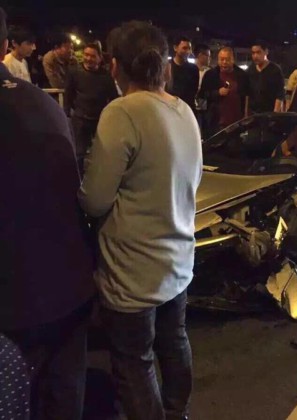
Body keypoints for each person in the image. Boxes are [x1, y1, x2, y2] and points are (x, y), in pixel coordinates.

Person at [78, 21, 202, 420]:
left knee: (135, 360)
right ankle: (177, 412)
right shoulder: (184, 111)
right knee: (174, 341)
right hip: (177, 260)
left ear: (115, 66)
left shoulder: (121, 112)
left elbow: (95, 199)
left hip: (132, 270)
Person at [0, 7, 96, 419]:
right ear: (5, 46)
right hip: (68, 289)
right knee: (63, 396)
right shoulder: (43, 104)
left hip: (13, 306)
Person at [64, 43, 119, 171]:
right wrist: (67, 113)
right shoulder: (75, 72)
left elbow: (113, 98)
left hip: (99, 119)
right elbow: (68, 95)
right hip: (80, 119)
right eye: (86, 55)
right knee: (78, 153)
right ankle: (77, 178)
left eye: (93, 56)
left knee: (102, 152)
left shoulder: (106, 76)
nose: (88, 58)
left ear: (100, 58)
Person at [199, 46, 249, 137]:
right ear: (218, 60)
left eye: (227, 59)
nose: (224, 62)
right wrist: (217, 93)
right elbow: (202, 95)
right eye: (221, 59)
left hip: (236, 124)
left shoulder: (242, 75)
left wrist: (245, 116)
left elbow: (246, 96)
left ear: (233, 60)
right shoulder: (211, 75)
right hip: (215, 124)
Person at [247, 41, 285, 114]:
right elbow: (247, 94)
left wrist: (275, 114)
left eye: (258, 52)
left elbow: (280, 93)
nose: (255, 56)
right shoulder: (250, 70)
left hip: (269, 113)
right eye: (253, 53)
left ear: (266, 52)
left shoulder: (275, 70)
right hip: (253, 114)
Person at [166, 36, 199, 110]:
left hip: (187, 108)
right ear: (175, 48)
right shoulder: (167, 66)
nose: (188, 51)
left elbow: (194, 91)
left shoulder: (193, 69)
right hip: (170, 107)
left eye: (189, 48)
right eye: (184, 48)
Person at [194, 43, 211, 135]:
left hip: (205, 109)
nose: (209, 59)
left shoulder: (209, 72)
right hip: (193, 108)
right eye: (208, 56)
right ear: (200, 55)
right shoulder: (190, 70)